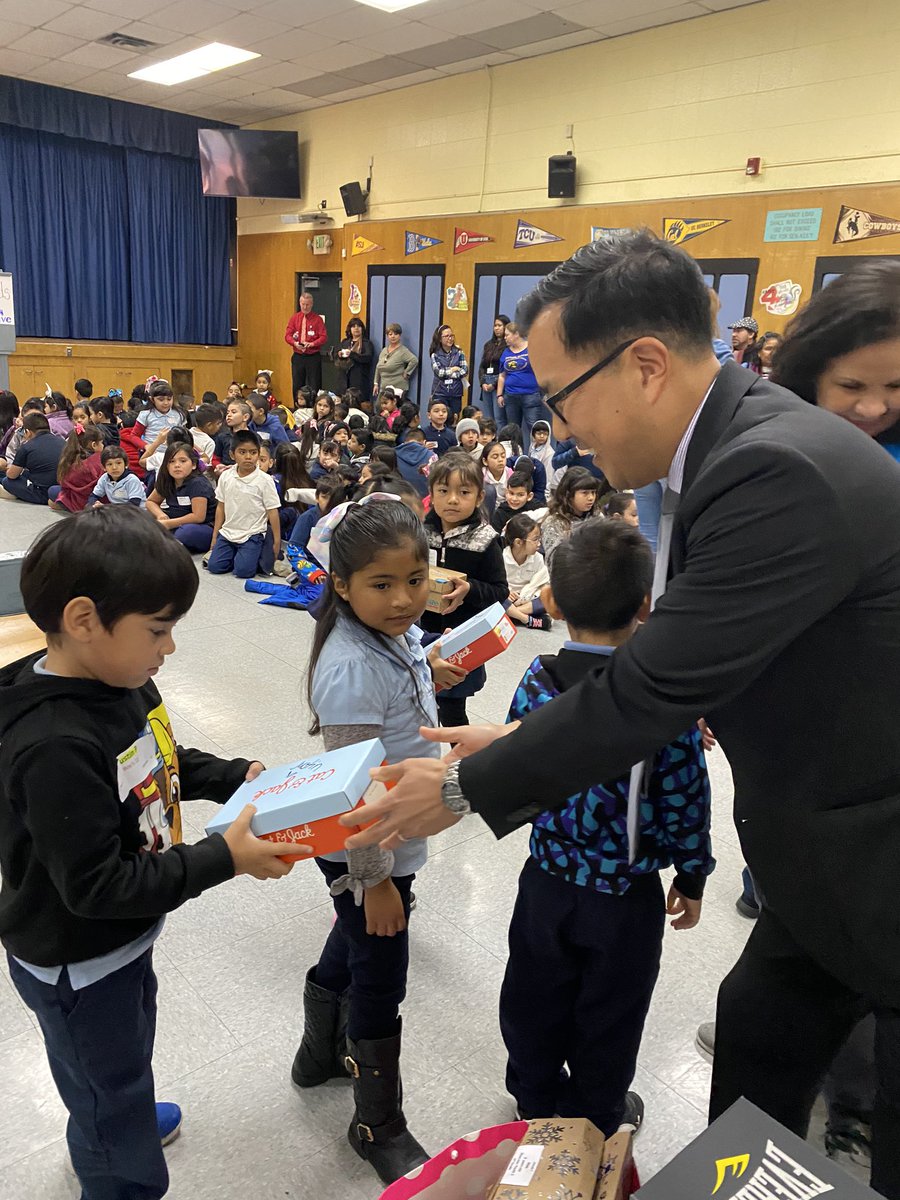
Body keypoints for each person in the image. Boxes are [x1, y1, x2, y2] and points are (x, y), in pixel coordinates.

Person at [340, 230, 900, 1200]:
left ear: (644, 365)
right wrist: (517, 735)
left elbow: (654, 692)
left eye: (562, 396)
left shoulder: (775, 467)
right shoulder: (738, 449)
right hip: (826, 852)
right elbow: (672, 662)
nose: (559, 427)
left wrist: (464, 786)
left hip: (874, 851)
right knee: (760, 1036)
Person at [0, 506, 303, 1200]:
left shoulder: (122, 679)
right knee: (103, 1088)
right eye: (158, 630)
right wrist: (224, 857)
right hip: (77, 957)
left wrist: (233, 774)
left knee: (121, 1059)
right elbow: (97, 886)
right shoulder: (54, 745)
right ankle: (117, 1164)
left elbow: (156, 757)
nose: (168, 649)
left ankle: (119, 1110)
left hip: (122, 939)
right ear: (84, 620)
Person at [501, 519, 712, 1134]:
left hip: (544, 880)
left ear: (552, 602)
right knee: (612, 1011)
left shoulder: (537, 680)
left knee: (533, 994)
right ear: (645, 605)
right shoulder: (663, 702)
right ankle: (595, 1114)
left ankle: (534, 1097)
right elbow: (686, 799)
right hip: (624, 895)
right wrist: (693, 876)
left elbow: (514, 766)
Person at [297, 498, 449, 1185]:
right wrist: (376, 879)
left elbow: (402, 693)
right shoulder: (350, 667)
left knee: (354, 939)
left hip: (392, 838)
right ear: (342, 585)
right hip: (368, 850)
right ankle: (376, 1125)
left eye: (415, 580)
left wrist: (431, 671)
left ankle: (317, 1056)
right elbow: (347, 791)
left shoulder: (395, 633)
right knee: (381, 976)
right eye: (382, 585)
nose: (404, 599)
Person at [421, 454, 507, 727]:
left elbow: (500, 591)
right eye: (443, 491)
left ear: (479, 497)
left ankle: (461, 754)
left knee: (451, 710)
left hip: (460, 639)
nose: (453, 500)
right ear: (431, 494)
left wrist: (469, 589)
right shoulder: (419, 533)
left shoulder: (485, 540)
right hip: (419, 633)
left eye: (464, 492)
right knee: (414, 701)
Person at [208, 430, 281, 579]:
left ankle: (255, 552)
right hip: (228, 532)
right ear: (232, 454)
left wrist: (277, 541)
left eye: (253, 452)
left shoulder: (265, 480)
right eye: (242, 452)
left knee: (243, 572)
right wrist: (215, 536)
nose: (248, 457)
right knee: (214, 567)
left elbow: (272, 511)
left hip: (252, 533)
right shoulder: (226, 476)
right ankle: (236, 554)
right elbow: (221, 507)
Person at [145, 444, 217, 554]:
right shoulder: (167, 480)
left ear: (193, 465)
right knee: (142, 520)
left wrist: (169, 524)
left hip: (201, 526)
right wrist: (160, 515)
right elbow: (151, 501)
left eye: (183, 461)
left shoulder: (198, 483)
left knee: (185, 533)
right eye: (171, 461)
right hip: (175, 520)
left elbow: (198, 517)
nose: (177, 465)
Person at [497, 321, 545, 445]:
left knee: (534, 428)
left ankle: (536, 454)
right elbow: (502, 375)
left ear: (516, 334)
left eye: (507, 335)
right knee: (513, 429)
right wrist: (499, 394)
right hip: (511, 395)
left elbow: (542, 370)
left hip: (530, 395)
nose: (505, 338)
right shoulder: (506, 352)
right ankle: (515, 453)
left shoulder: (532, 349)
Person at [0, 412, 64, 504]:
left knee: (7, 481)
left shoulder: (26, 447)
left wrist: (8, 469)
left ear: (28, 432)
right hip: (61, 490)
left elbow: (11, 475)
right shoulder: (62, 442)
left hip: (42, 494)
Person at [501, 513, 550, 629]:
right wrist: (507, 592)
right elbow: (496, 584)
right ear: (518, 542)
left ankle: (510, 615)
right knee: (496, 598)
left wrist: (527, 597)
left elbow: (542, 584)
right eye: (535, 539)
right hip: (507, 599)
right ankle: (527, 619)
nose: (539, 543)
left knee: (550, 597)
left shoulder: (537, 558)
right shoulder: (502, 557)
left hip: (527, 600)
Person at [48, 427, 105, 513]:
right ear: (94, 445)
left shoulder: (70, 460)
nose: (103, 445)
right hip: (99, 499)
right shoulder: (100, 459)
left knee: (53, 491)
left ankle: (67, 505)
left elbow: (64, 484)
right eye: (101, 442)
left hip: (79, 499)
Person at [288, 475, 347, 553]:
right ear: (317, 497)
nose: (328, 503)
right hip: (309, 559)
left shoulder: (344, 518)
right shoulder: (307, 518)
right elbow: (294, 549)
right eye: (324, 497)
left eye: (334, 499)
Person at [286, 292, 327, 397]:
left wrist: (312, 344)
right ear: (300, 303)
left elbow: (323, 337)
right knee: (297, 384)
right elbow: (287, 335)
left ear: (311, 304)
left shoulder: (317, 319)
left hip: (313, 356)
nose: (305, 307)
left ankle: (314, 405)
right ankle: (297, 404)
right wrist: (295, 343)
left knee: (314, 384)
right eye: (303, 304)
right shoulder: (294, 318)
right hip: (298, 356)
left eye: (307, 304)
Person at [429, 325, 468, 421]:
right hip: (440, 393)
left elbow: (464, 371)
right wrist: (453, 369)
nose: (450, 338)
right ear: (439, 338)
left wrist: (449, 372)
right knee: (440, 418)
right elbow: (439, 372)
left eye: (451, 336)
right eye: (446, 336)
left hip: (456, 393)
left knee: (454, 419)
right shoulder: (435, 354)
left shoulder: (459, 352)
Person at [478, 313, 510, 425]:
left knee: (499, 417)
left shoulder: (508, 345)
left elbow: (507, 369)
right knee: (488, 417)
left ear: (506, 327)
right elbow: (482, 366)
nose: (496, 328)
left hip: (499, 382)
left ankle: (500, 436)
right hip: (486, 381)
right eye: (495, 325)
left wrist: (494, 384)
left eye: (499, 325)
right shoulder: (489, 344)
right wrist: (482, 382)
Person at [373, 323, 418, 397]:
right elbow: (378, 367)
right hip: (384, 387)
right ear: (387, 336)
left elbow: (414, 360)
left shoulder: (403, 351)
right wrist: (376, 383)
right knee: (379, 404)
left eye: (395, 334)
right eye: (390, 334)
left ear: (400, 336)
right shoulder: (384, 351)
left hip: (397, 388)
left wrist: (407, 372)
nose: (393, 336)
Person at [134, 381, 184, 446]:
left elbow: (183, 435)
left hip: (172, 450)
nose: (166, 403)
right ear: (152, 399)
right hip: (151, 451)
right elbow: (134, 436)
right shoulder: (146, 415)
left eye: (169, 399)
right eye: (161, 400)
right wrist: (145, 446)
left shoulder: (178, 414)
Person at [491, 469, 541, 534]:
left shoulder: (537, 508)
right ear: (506, 492)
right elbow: (496, 538)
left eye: (520, 495)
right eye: (511, 493)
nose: (514, 499)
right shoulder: (500, 514)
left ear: (529, 496)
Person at [337, 318, 375, 395]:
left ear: (362, 329)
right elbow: (336, 356)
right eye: (353, 326)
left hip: (359, 378)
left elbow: (367, 358)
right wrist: (339, 354)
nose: (356, 328)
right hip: (344, 378)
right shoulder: (345, 342)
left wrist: (352, 354)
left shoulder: (366, 343)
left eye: (359, 326)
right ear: (350, 329)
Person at [482, 439, 512, 504]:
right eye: (495, 457)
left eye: (503, 456)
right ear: (485, 461)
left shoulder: (510, 474)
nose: (500, 460)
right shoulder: (481, 475)